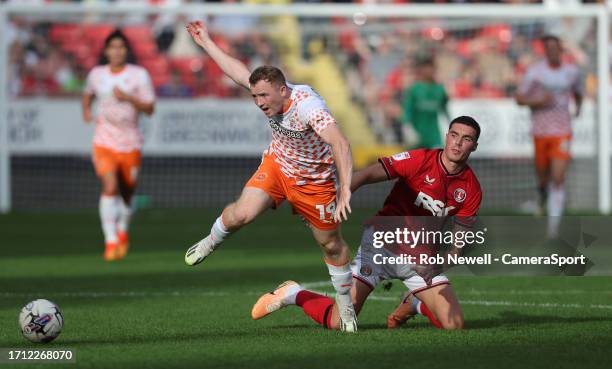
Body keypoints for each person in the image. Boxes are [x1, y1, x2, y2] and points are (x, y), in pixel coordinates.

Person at [183, 21, 358, 332]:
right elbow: (237, 72)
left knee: (331, 246)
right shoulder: (266, 95)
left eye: (264, 96)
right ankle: (211, 241)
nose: (260, 103)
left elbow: (340, 142)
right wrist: (206, 42)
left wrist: (345, 189)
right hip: (278, 165)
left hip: (315, 182)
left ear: (282, 89)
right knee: (241, 214)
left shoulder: (309, 107)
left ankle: (346, 309)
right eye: (254, 97)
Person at [251, 116, 482, 330]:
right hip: (381, 246)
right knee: (339, 322)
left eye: (467, 139)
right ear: (447, 136)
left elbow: (457, 247)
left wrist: (436, 266)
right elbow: (367, 174)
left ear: (474, 146)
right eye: (454, 135)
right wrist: (340, 197)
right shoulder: (420, 160)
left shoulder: (471, 189)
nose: (458, 142)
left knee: (454, 324)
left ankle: (414, 303)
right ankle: (293, 294)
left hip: (420, 257)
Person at [82, 30, 156, 261]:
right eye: (113, 47)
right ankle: (110, 240)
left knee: (126, 193)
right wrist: (86, 109)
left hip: (130, 141)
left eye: (121, 47)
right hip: (103, 140)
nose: (117, 51)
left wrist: (129, 98)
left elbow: (150, 109)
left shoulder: (139, 75)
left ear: (127, 50)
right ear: (106, 51)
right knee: (109, 186)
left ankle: (123, 230)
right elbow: (88, 93)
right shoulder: (96, 74)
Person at [515, 34, 583, 238]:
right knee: (543, 178)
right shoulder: (535, 73)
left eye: (556, 47)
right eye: (548, 48)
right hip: (540, 132)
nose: (552, 51)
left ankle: (553, 230)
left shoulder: (572, 72)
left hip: (562, 131)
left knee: (558, 178)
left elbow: (578, 91)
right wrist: (537, 103)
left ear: (561, 50)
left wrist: (578, 107)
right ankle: (542, 196)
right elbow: (519, 98)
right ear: (544, 50)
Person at [401, 56, 450, 149]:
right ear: (421, 70)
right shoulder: (414, 89)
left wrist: (450, 127)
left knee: (436, 161)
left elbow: (445, 110)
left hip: (434, 137)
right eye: (426, 67)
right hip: (416, 136)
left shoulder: (440, 89)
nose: (429, 70)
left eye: (431, 67)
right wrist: (408, 128)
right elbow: (408, 110)